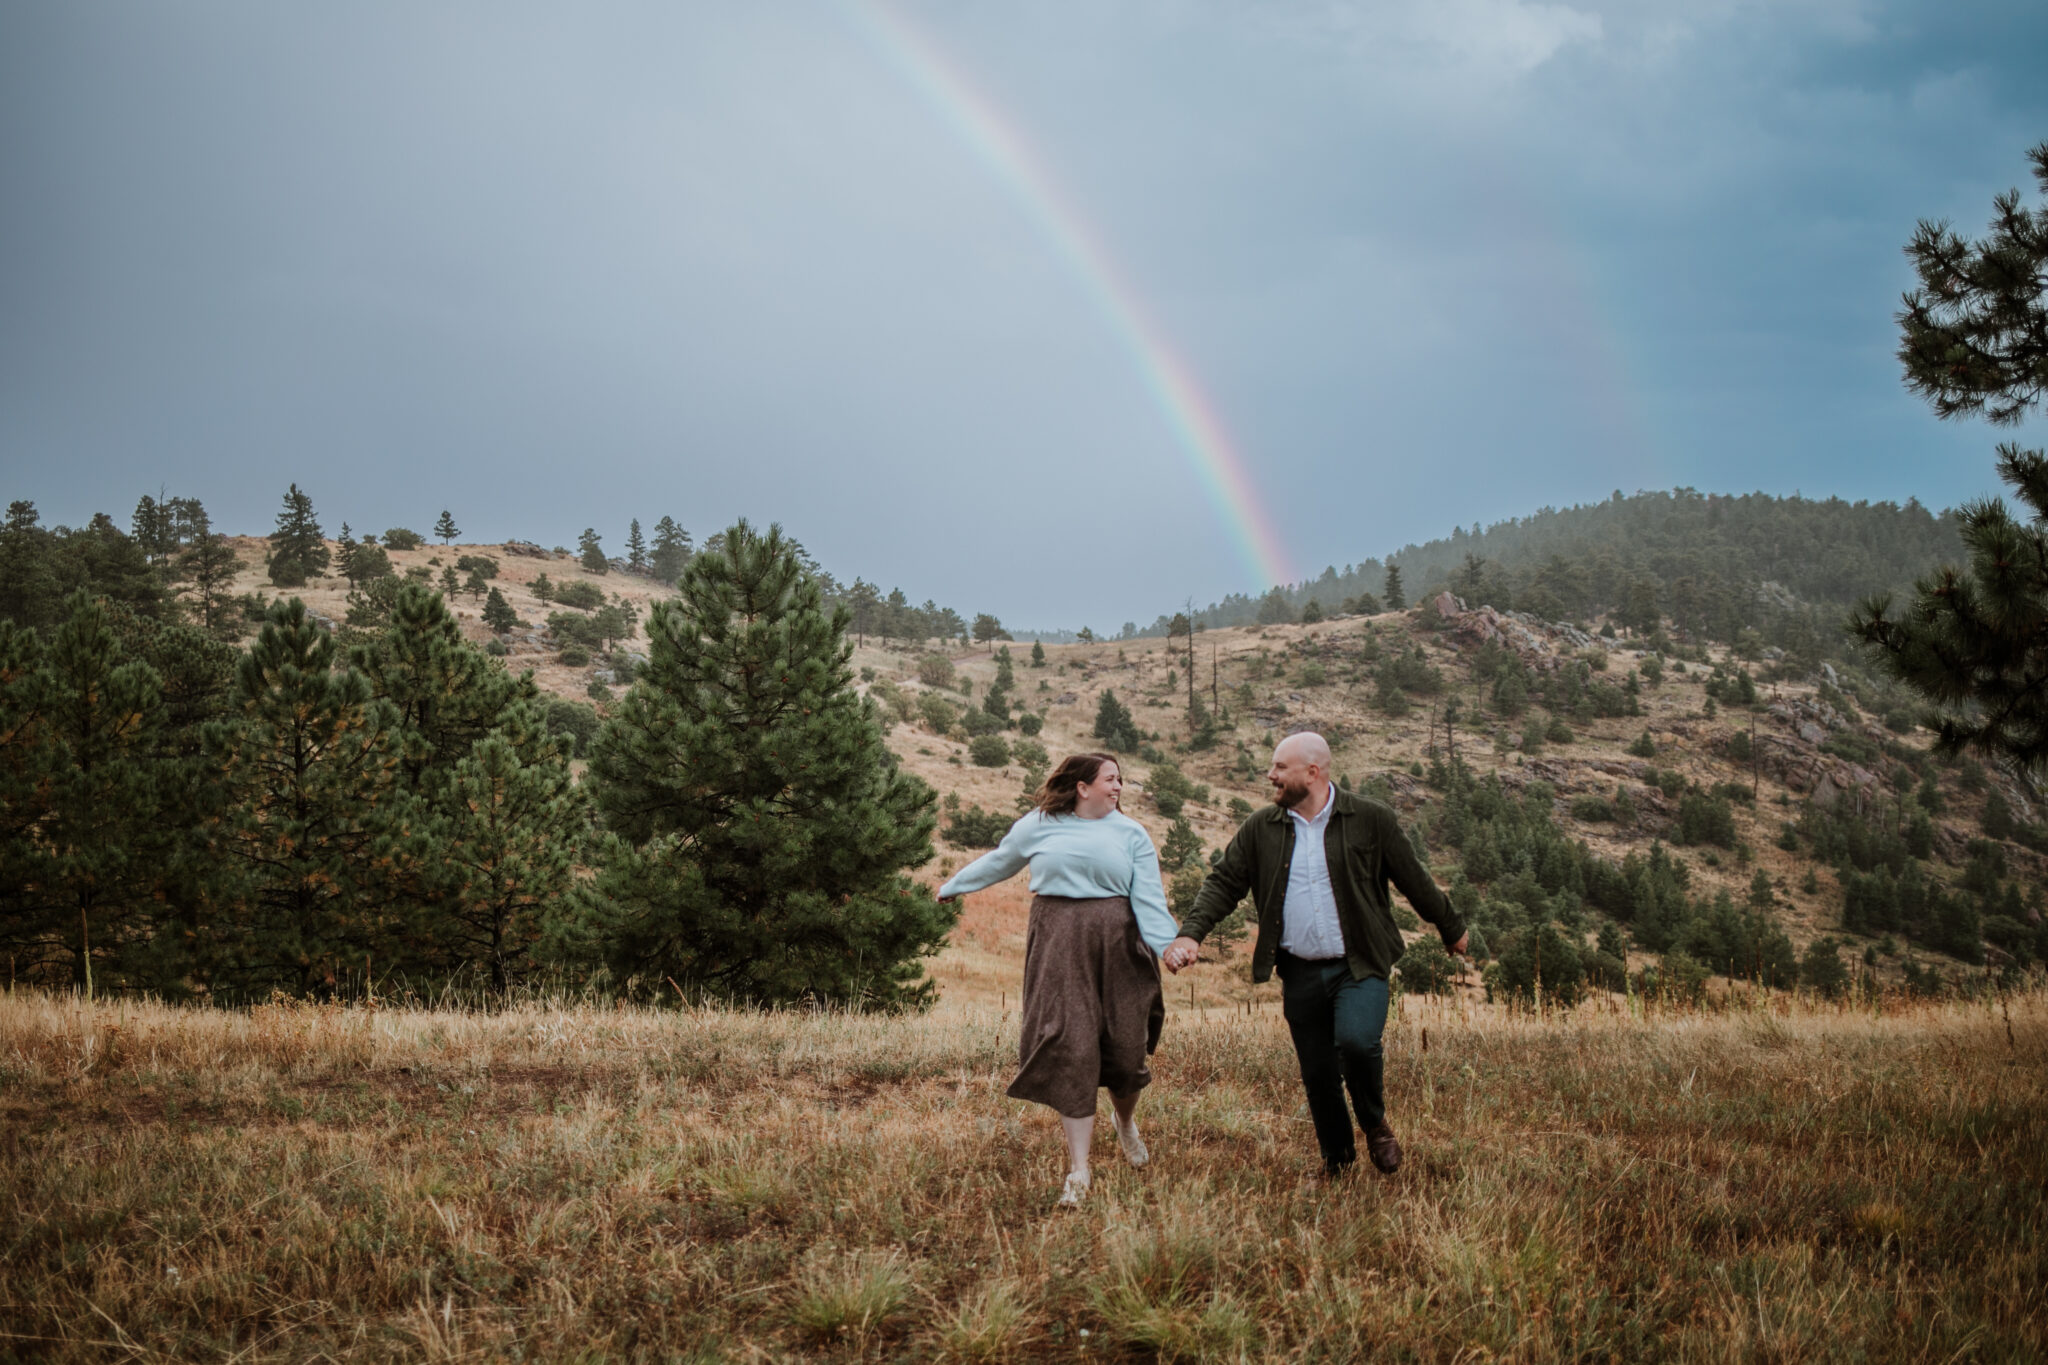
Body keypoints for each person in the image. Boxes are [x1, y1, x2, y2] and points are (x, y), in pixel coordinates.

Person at [1164, 732, 1466, 1176]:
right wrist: (1191, 935)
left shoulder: (1370, 819)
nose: (1271, 776)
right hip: (1300, 971)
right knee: (1319, 1073)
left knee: (1358, 1043)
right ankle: (1337, 1162)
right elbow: (1224, 883)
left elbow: (1413, 877)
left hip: (1359, 964)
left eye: (1279, 768)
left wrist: (1451, 927)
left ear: (1313, 772)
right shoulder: (1261, 828)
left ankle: (1374, 1123)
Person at [939, 752, 1179, 1206]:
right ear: (1082, 786)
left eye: (1121, 780)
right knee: (1071, 1045)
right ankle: (1079, 1171)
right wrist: (954, 885)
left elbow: (1148, 899)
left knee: (1127, 1051)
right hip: (1059, 940)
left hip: (1119, 942)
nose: (1119, 787)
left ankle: (1124, 1121)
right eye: (1111, 779)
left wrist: (1167, 947)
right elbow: (1000, 861)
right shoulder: (1040, 823)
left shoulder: (1131, 833)